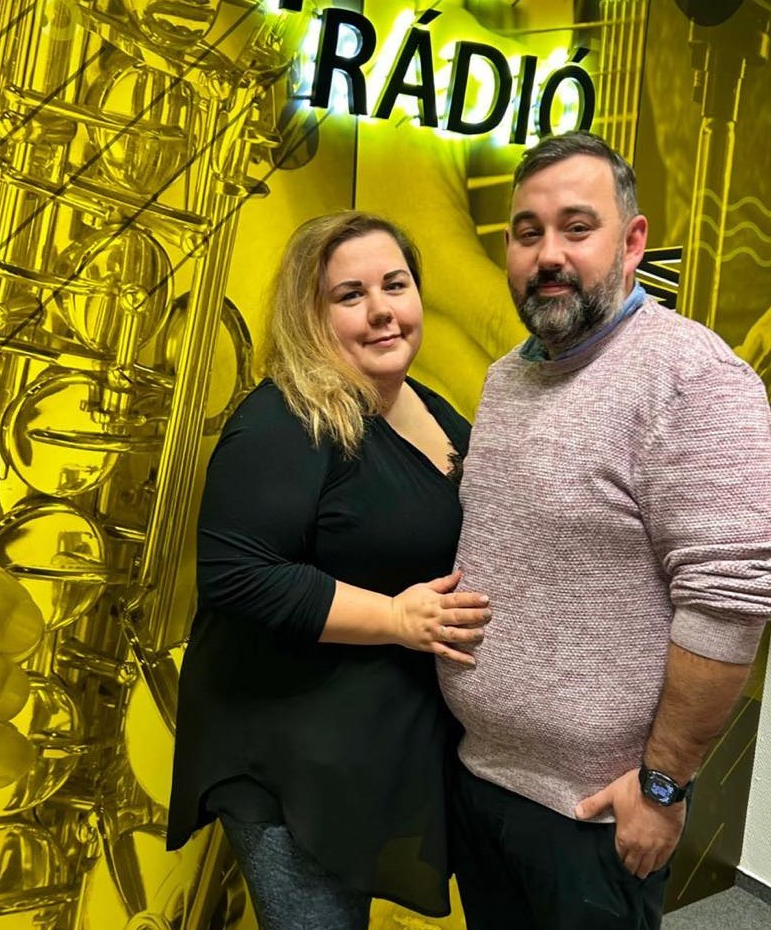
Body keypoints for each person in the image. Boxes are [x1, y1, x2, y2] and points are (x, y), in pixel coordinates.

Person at [438, 131, 771, 929]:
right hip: (482, 778)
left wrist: (663, 787)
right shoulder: (507, 377)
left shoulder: (692, 377)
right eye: (528, 232)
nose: (548, 255)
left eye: (576, 228)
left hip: (597, 811)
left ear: (632, 243)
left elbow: (729, 603)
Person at [167, 211, 491, 929]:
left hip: (370, 747)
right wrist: (396, 618)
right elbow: (239, 575)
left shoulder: (427, 405)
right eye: (350, 295)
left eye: (395, 285)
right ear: (308, 314)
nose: (381, 310)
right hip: (289, 759)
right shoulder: (281, 421)